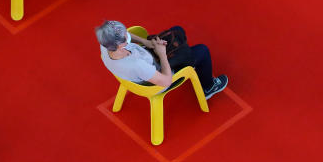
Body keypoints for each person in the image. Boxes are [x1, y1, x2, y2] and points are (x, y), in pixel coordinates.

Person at [94, 20, 228, 100]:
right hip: (159, 78)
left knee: (177, 30)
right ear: (120, 44)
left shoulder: (106, 44)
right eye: (125, 36)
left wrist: (146, 42)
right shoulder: (136, 64)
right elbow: (166, 81)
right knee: (202, 50)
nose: (127, 35)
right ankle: (208, 88)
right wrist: (162, 54)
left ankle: (186, 55)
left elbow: (126, 36)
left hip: (148, 60)